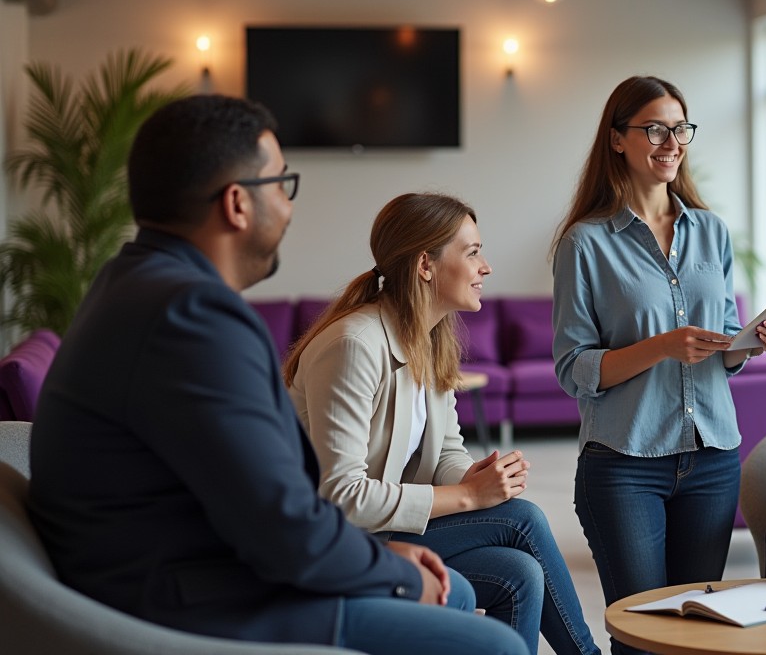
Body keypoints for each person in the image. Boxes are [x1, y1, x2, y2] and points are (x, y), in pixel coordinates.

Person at [27, 95, 527, 655]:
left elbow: (262, 493)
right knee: (493, 645)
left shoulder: (129, 283)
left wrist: (384, 556)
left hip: (163, 569)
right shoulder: (194, 316)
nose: (289, 208)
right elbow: (284, 524)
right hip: (192, 600)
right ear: (238, 204)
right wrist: (396, 571)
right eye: (282, 184)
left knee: (471, 586)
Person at [286, 192, 599, 655]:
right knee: (524, 520)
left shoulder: (430, 338)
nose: (486, 267)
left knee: (521, 574)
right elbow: (341, 497)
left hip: (383, 527)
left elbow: (448, 448)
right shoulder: (354, 345)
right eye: (472, 253)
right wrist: (469, 496)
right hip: (334, 538)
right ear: (425, 266)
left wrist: (475, 478)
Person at [551, 75, 766, 653]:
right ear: (618, 139)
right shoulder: (584, 243)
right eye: (654, 128)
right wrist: (662, 345)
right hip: (625, 464)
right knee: (642, 635)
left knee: (696, 632)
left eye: (680, 128)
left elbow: (718, 351)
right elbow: (573, 368)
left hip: (712, 458)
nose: (672, 141)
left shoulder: (711, 230)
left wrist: (750, 343)